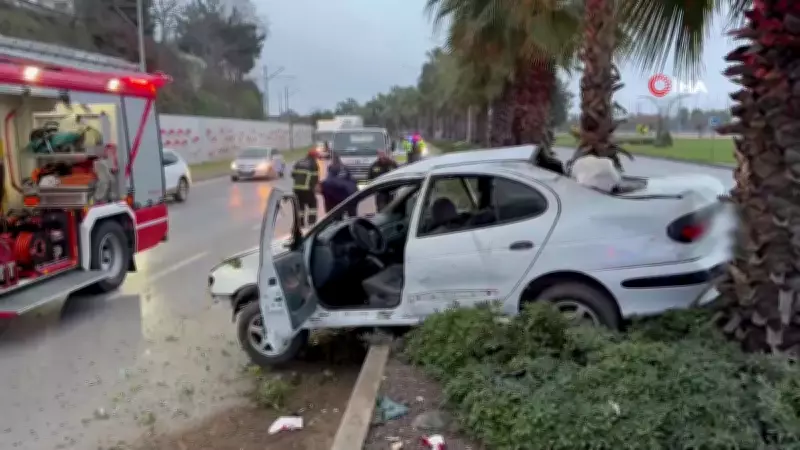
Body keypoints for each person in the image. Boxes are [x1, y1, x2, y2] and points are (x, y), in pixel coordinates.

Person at [291, 149, 321, 227]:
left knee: (300, 206)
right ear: (314, 156)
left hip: (296, 189)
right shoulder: (313, 164)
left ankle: (300, 223)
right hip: (307, 189)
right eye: (316, 157)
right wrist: (315, 187)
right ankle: (311, 222)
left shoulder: (299, 162)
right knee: (313, 204)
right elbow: (315, 178)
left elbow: (293, 175)